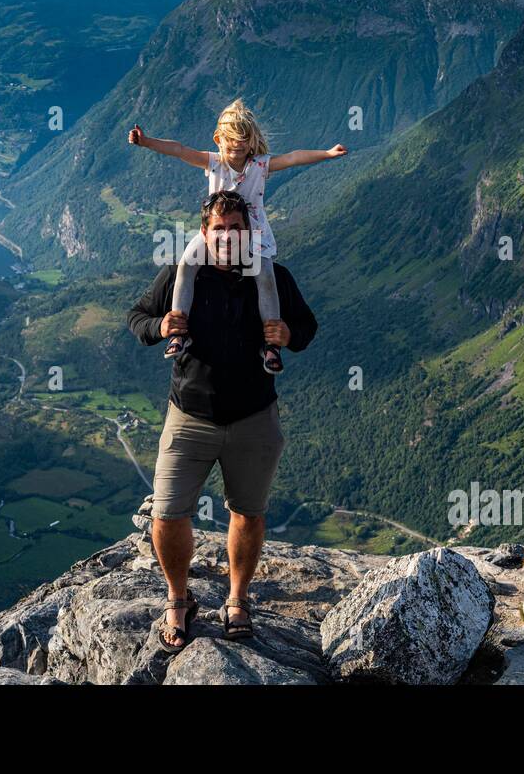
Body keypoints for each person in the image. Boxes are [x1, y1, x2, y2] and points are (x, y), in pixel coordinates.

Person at [126, 190, 318, 653]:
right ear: (205, 234)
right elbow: (137, 317)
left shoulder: (274, 278)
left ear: (249, 232)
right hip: (189, 416)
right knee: (168, 514)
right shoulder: (179, 275)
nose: (229, 237)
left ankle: (237, 599)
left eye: (237, 229)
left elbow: (307, 328)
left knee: (247, 513)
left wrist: (288, 334)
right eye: (220, 230)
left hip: (254, 417)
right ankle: (178, 599)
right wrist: (159, 328)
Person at [128, 98, 343, 374]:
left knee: (266, 275)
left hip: (250, 231)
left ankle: (271, 345)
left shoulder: (260, 165)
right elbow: (179, 150)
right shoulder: (214, 162)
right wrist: (147, 142)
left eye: (243, 141)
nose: (238, 147)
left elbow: (293, 158)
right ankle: (178, 332)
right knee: (186, 265)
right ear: (220, 138)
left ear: (251, 141)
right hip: (216, 233)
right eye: (233, 141)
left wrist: (327, 154)